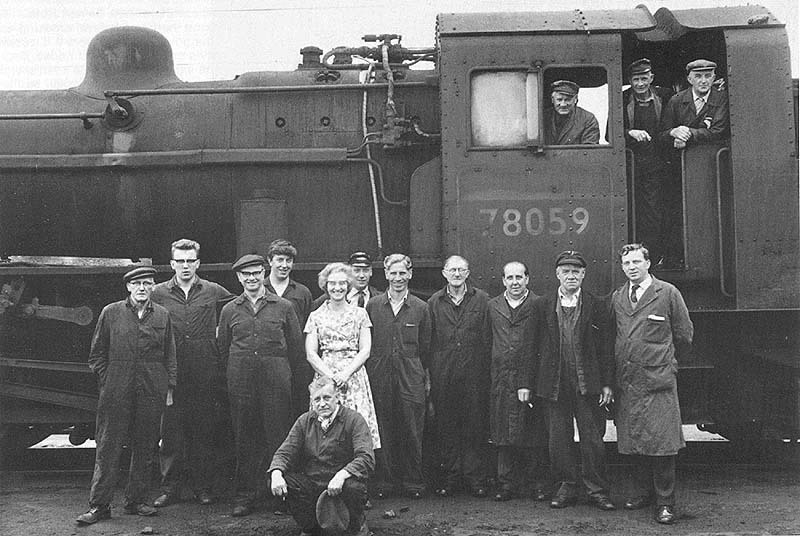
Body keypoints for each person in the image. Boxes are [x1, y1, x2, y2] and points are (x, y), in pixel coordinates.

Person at [77, 267, 177, 524]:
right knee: (108, 447)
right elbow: (96, 354)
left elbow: (170, 355)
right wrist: (109, 380)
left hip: (150, 391)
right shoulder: (111, 313)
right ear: (128, 287)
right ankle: (99, 506)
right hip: (116, 393)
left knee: (145, 447)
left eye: (147, 283)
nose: (142, 288)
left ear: (154, 286)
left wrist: (167, 387)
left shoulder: (163, 316)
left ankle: (137, 501)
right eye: (137, 283)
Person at [610, 243, 693, 525]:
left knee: (663, 445)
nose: (631, 267)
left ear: (648, 264)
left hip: (658, 381)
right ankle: (644, 493)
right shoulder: (619, 297)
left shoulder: (667, 293)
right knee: (635, 442)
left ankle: (666, 503)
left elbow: (684, 335)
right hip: (629, 382)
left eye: (636, 262)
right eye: (626, 263)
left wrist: (665, 364)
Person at [217, 254, 304, 517]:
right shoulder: (230, 309)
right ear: (239, 278)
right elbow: (223, 348)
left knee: (278, 436)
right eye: (247, 274)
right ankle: (245, 495)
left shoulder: (284, 307)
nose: (252, 278)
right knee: (245, 437)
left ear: (263, 274)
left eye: (256, 273)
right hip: (241, 380)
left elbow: (296, 348)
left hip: (276, 379)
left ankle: (280, 496)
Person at [150, 239, 234, 508]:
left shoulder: (214, 291)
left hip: (204, 371)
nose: (185, 266)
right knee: (171, 432)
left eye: (190, 261)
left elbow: (237, 307)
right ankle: (170, 488)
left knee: (203, 432)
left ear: (198, 263)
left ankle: (202, 487)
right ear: (172, 264)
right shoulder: (157, 293)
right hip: (172, 373)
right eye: (180, 261)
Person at [530, 251, 615, 511]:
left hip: (586, 384)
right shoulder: (542, 305)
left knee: (592, 439)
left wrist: (607, 384)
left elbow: (607, 348)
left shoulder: (597, 305)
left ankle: (596, 490)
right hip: (554, 384)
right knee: (558, 440)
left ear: (583, 275)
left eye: (576, 272)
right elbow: (532, 347)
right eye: (565, 271)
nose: (571, 276)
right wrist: (530, 384)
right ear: (557, 274)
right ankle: (566, 487)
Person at [269, 376, 374, 536]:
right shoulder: (305, 421)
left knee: (354, 487)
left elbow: (366, 457)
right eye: (317, 399)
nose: (322, 403)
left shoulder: (354, 420)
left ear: (337, 397)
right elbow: (285, 451)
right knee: (283, 480)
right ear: (312, 400)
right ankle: (311, 527)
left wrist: (341, 476)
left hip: (342, 485)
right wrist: (276, 473)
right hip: (313, 485)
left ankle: (356, 526)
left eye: (327, 397)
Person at [365, 254, 431, 499]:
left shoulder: (421, 308)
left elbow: (427, 345)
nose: (398, 278)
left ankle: (413, 482)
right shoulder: (373, 306)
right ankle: (386, 482)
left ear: (410, 274)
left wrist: (421, 375)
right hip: (380, 373)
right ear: (385, 274)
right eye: (393, 273)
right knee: (383, 427)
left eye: (402, 273)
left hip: (410, 374)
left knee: (412, 428)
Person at [427, 255, 491, 497]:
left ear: (467, 273)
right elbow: (429, 341)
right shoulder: (435, 302)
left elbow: (488, 338)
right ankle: (451, 477)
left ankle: (476, 478)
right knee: (447, 426)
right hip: (444, 375)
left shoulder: (482, 300)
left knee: (475, 426)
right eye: (452, 270)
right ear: (444, 273)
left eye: (461, 270)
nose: (456, 274)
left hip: (475, 375)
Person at [487, 261, 549, 502]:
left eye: (519, 277)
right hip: (501, 378)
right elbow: (486, 340)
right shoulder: (492, 306)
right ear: (503, 280)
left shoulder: (539, 304)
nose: (514, 282)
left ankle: (537, 483)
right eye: (510, 278)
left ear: (527, 279)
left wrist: (533, 380)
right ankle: (506, 483)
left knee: (533, 433)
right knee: (503, 432)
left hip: (530, 378)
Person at [305, 262, 381, 450]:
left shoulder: (360, 314)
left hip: (353, 377)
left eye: (342, 283)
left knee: (355, 427)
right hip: (325, 375)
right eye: (332, 283)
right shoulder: (316, 316)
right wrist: (331, 378)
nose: (337, 288)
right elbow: (311, 353)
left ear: (348, 285)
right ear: (325, 285)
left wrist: (346, 374)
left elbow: (365, 349)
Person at [623, 59, 674, 263]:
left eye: (644, 78)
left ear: (651, 78)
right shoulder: (623, 98)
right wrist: (630, 132)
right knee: (636, 210)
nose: (641, 84)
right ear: (630, 81)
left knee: (657, 210)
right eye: (636, 79)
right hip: (633, 164)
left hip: (660, 162)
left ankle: (655, 254)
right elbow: (611, 133)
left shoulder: (665, 96)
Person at [265, 239, 314, 418]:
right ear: (270, 261)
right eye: (279, 260)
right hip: (269, 361)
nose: (284, 265)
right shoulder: (260, 289)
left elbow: (310, 327)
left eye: (288, 261)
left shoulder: (302, 293)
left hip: (296, 363)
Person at [659, 59, 729, 151]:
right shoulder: (676, 100)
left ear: (713, 78)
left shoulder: (722, 99)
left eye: (708, 76)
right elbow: (662, 134)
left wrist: (689, 133)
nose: (703, 81)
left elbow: (718, 131)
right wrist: (673, 132)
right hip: (683, 158)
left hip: (713, 155)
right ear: (689, 79)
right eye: (698, 76)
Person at [312, 251, 381, 310]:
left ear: (371, 272)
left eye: (366, 270)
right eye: (356, 271)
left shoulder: (380, 299)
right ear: (349, 272)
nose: (361, 275)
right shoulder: (328, 298)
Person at [544, 80, 600, 145]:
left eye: (567, 100)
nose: (563, 104)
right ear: (552, 99)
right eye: (559, 100)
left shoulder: (588, 119)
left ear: (575, 99)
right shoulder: (543, 117)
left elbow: (589, 150)